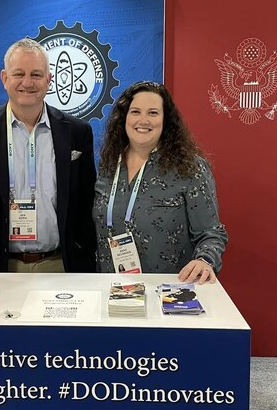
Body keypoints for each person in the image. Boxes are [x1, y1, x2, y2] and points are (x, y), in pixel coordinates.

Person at [0, 37, 96, 273]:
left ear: (49, 80)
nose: (27, 82)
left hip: (59, 265)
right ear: (4, 78)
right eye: (19, 74)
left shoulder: (76, 132)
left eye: (36, 74)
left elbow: (86, 201)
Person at [93, 81, 227, 283]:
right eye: (135, 111)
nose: (143, 120)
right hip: (112, 290)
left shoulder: (189, 168)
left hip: (170, 293)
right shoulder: (109, 164)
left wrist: (204, 260)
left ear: (166, 120)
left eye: (153, 113)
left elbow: (211, 233)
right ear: (124, 118)